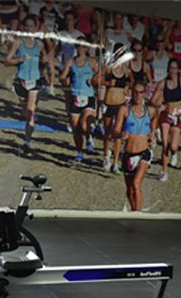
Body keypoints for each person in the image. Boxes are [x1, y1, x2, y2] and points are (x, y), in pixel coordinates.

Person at [4, 14, 46, 153]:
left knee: (30, 111)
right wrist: (20, 59)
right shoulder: (18, 42)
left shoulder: (39, 44)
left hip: (35, 81)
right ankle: (29, 123)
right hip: (21, 81)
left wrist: (45, 71)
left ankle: (27, 142)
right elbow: (7, 61)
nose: (28, 29)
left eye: (31, 26)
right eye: (26, 26)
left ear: (35, 28)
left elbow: (45, 59)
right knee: (25, 112)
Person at [116, 81, 157, 211]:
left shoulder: (150, 110)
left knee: (136, 184)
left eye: (141, 92)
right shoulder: (124, 110)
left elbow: (155, 120)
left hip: (144, 153)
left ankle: (138, 216)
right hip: (128, 154)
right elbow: (114, 131)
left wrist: (153, 133)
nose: (138, 95)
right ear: (131, 92)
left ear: (145, 93)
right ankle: (134, 211)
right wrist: (121, 134)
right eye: (136, 92)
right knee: (130, 190)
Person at [61, 37, 98, 162]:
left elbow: (100, 76)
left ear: (87, 48)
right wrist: (66, 84)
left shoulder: (91, 62)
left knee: (84, 124)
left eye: (84, 46)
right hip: (75, 96)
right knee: (76, 127)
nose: (81, 48)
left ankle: (88, 137)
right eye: (79, 45)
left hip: (88, 96)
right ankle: (79, 152)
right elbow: (62, 77)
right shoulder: (70, 62)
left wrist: (93, 81)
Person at [153, 58, 181, 182]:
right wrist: (160, 105)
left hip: (177, 116)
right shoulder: (162, 83)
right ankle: (164, 172)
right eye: (170, 68)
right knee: (165, 144)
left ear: (177, 70)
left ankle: (174, 153)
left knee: (173, 146)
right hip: (166, 116)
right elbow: (153, 100)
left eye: (174, 68)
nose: (172, 71)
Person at [101, 44, 130, 172]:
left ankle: (116, 163)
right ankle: (106, 157)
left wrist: (127, 89)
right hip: (109, 104)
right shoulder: (108, 68)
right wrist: (108, 83)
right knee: (107, 133)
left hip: (120, 105)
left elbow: (131, 82)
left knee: (117, 134)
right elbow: (97, 80)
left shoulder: (126, 70)